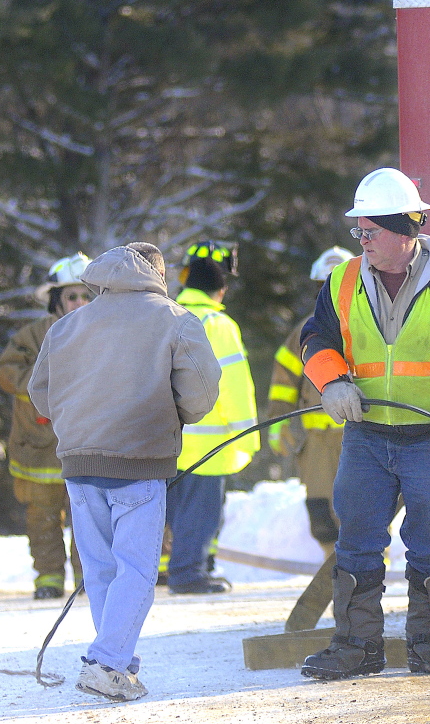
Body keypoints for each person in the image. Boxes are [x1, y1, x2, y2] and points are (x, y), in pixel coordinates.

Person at [299, 168, 430, 680]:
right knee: (356, 537)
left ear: (403, 230)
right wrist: (332, 383)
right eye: (360, 233)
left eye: (369, 231)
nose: (362, 241)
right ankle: (356, 647)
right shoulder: (343, 280)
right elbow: (315, 339)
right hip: (367, 436)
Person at [28, 243, 220, 702]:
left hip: (78, 465)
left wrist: (79, 421)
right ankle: (109, 663)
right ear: (157, 273)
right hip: (139, 463)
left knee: (101, 569)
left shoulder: (67, 325)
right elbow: (201, 393)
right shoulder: (175, 319)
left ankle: (113, 660)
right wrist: (170, 414)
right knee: (136, 569)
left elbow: (40, 394)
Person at [0, 253, 92, 599]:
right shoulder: (32, 336)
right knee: (42, 517)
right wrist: (40, 384)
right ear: (56, 300)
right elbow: (7, 372)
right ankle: (48, 579)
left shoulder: (103, 334)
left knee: (88, 518)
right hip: (39, 447)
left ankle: (87, 577)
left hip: (86, 446)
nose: (79, 303)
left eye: (85, 296)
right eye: (71, 296)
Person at [167, 241, 259, 594]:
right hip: (209, 443)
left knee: (178, 511)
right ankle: (189, 573)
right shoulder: (218, 324)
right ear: (221, 288)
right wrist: (247, 437)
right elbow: (234, 386)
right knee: (202, 514)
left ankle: (189, 566)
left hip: (167, 440)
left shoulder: (166, 316)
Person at [266, 247, 355, 557]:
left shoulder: (369, 327)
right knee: (320, 512)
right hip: (316, 442)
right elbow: (284, 381)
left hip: (358, 437)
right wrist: (278, 424)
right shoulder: (306, 331)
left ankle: (368, 571)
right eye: (323, 286)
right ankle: (331, 570)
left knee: (363, 507)